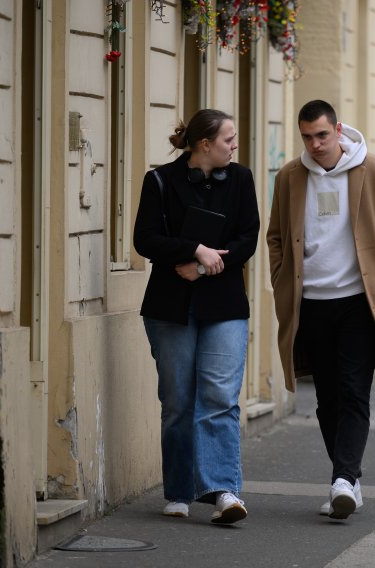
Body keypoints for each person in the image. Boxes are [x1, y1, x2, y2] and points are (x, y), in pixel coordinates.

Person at [266, 100, 375, 519]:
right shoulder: (290, 177)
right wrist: (282, 278)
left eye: (322, 135)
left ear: (338, 130)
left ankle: (344, 480)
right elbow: (275, 236)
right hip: (310, 302)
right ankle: (346, 477)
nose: (315, 144)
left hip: (357, 302)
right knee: (327, 399)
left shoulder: (374, 170)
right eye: (307, 137)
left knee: (354, 391)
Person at [133, 109, 260, 524]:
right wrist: (192, 250)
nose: (235, 146)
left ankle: (223, 490)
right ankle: (180, 490)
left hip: (224, 305)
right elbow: (145, 238)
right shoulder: (159, 181)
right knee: (177, 402)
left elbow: (247, 237)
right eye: (228, 139)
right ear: (204, 144)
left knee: (220, 399)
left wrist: (204, 266)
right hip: (170, 307)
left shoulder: (240, 179)